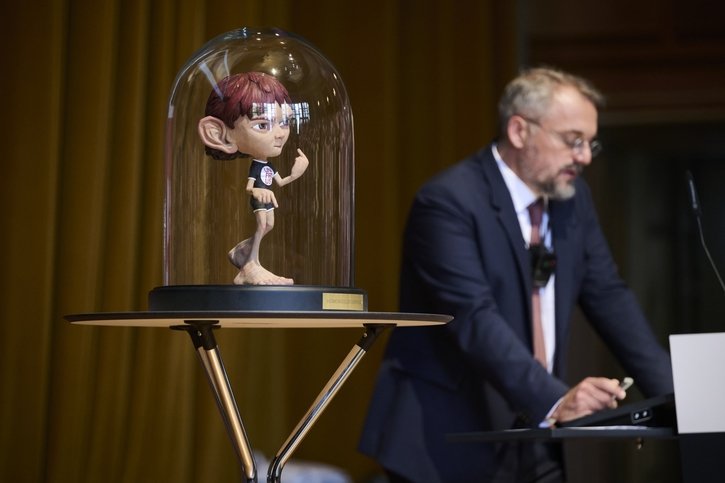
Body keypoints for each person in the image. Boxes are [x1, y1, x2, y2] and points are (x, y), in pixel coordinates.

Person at [358, 67, 674, 482]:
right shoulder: (448, 202)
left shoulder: (572, 202)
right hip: (446, 441)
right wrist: (557, 400)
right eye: (572, 140)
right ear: (520, 131)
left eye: (589, 143)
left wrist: (680, 396)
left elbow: (608, 295)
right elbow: (473, 317)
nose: (584, 156)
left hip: (534, 436)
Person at [198, 72, 309, 285]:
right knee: (261, 225)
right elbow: (250, 187)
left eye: (285, 122)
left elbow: (281, 181)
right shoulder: (257, 166)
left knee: (269, 226)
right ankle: (249, 265)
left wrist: (296, 173)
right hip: (260, 199)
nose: (279, 134)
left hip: (268, 199)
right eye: (263, 125)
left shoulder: (268, 164)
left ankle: (244, 255)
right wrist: (257, 191)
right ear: (220, 134)